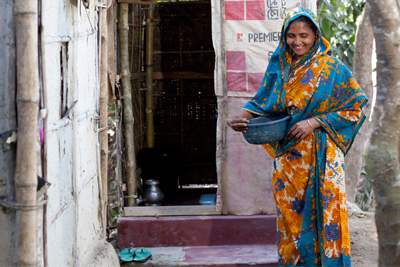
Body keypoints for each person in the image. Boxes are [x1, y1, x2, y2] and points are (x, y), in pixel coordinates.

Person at [228, 7, 367, 267]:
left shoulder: (331, 68)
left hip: (324, 158)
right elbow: (263, 103)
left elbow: (355, 107)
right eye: (291, 35)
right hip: (289, 158)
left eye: (304, 35)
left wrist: (313, 122)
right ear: (284, 36)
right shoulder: (280, 65)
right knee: (290, 214)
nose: (297, 41)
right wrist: (240, 117)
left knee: (325, 217)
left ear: (315, 34)